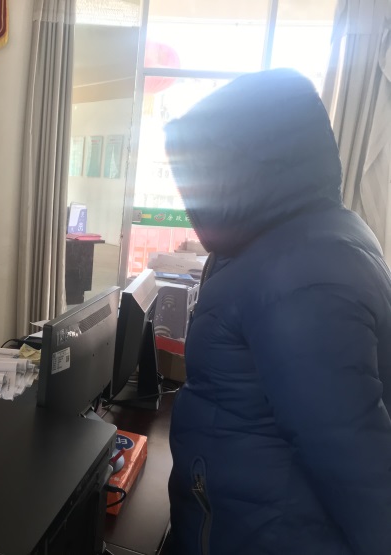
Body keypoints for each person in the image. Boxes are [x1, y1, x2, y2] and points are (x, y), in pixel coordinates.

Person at [164, 69, 391, 554]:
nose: (193, 198)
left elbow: (358, 468)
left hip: (264, 532)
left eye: (206, 174)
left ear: (253, 168)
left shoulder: (302, 277)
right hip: (244, 516)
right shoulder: (297, 236)